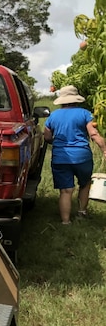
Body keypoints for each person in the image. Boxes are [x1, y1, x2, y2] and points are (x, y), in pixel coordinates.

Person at [43, 85, 106, 224]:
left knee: (66, 190)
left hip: (60, 157)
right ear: (76, 99)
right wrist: (104, 149)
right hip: (82, 156)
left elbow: (46, 136)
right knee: (85, 183)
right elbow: (94, 135)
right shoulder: (85, 114)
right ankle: (81, 213)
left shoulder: (53, 116)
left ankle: (65, 222)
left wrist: (56, 142)